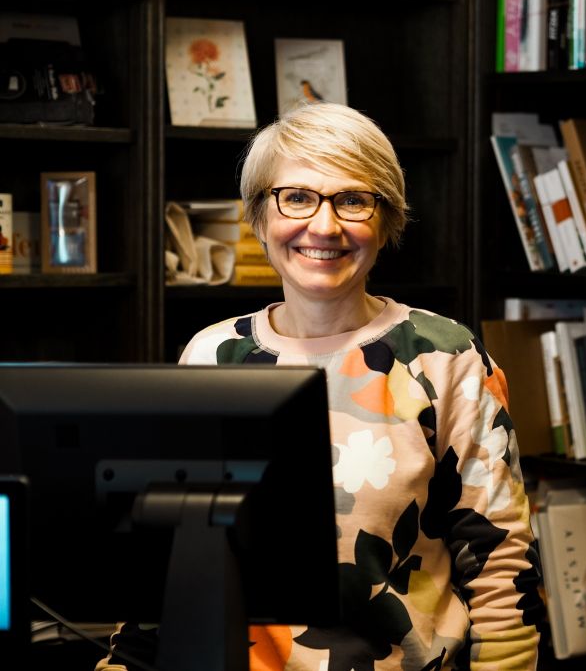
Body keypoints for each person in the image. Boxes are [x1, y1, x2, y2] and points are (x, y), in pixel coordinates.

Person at [97, 101, 543, 671]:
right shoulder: (211, 356)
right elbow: (163, 555)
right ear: (260, 216)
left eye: (353, 200)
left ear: (386, 220)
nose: (324, 226)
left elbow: (502, 560)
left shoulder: (444, 356)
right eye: (298, 197)